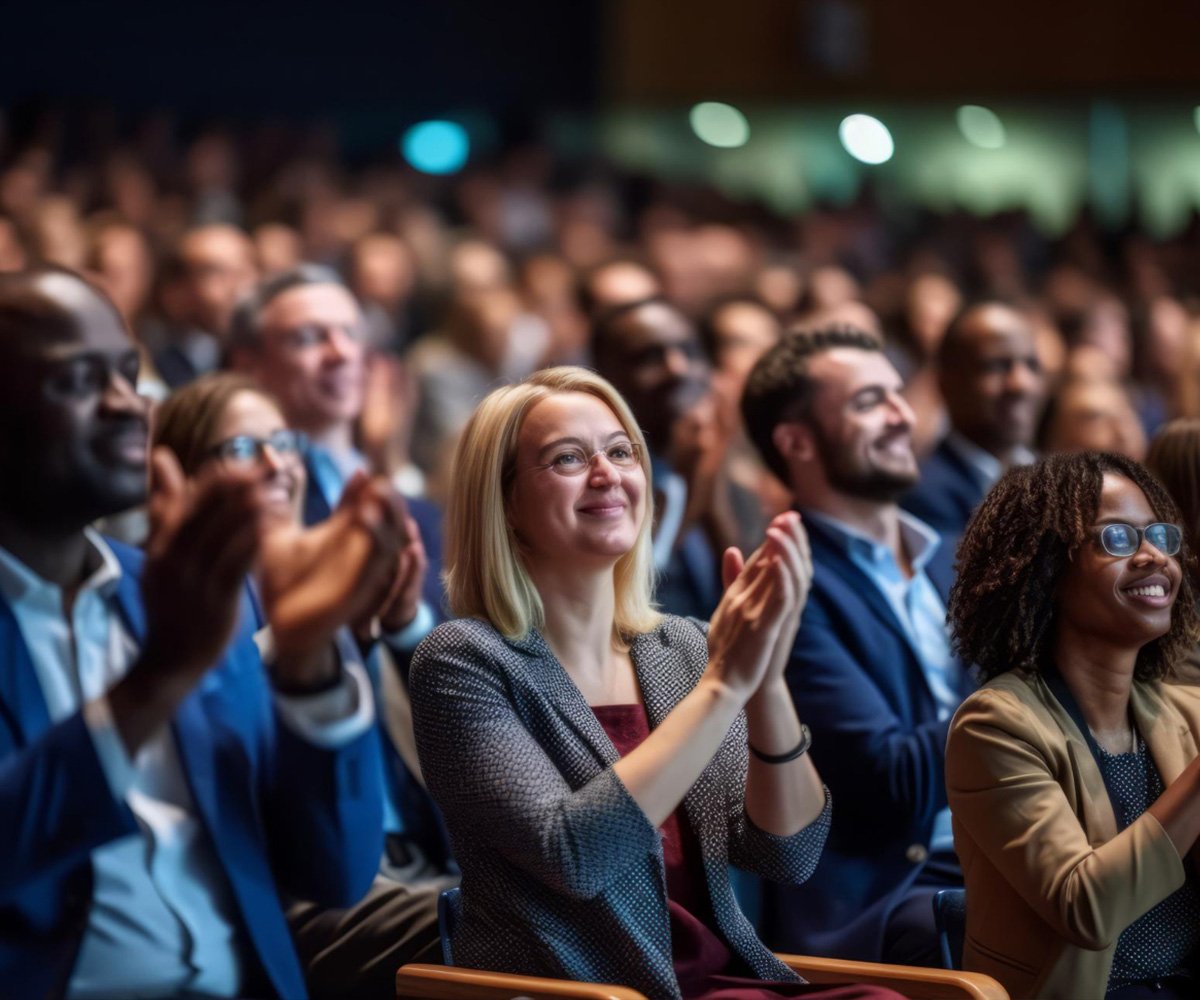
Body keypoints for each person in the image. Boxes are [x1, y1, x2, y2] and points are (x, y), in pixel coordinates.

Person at [410, 366, 901, 1000]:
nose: (608, 474)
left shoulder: (684, 649)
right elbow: (573, 854)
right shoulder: (465, 662)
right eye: (568, 458)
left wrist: (766, 680)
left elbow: (788, 855)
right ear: (503, 501)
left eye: (621, 452)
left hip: (721, 984)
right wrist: (725, 687)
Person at [0, 267, 385, 998]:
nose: (128, 405)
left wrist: (310, 667)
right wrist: (155, 680)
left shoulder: (173, 588)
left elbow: (334, 869)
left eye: (125, 372)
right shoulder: (185, 605)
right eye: (78, 381)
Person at [152, 372, 452, 997]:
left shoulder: (335, 562)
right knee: (531, 918)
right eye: (240, 450)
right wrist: (300, 648)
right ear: (180, 479)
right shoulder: (182, 602)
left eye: (284, 443)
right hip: (299, 888)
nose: (274, 464)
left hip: (424, 858)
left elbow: (458, 739)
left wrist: (399, 627)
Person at [741, 326, 969, 965]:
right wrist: (1030, 690)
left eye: (899, 395)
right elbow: (891, 780)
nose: (903, 416)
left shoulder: (956, 559)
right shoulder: (786, 589)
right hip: (904, 890)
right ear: (797, 441)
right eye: (870, 402)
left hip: (1020, 847)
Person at [946, 452, 1200, 999]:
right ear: (1047, 569)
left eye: (1159, 536)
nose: (1154, 557)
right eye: (1118, 540)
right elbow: (1084, 907)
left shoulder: (1187, 714)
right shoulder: (996, 724)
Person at [228, 263, 444, 636]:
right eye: (309, 338)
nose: (341, 353)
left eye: (349, 333)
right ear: (249, 365)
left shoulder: (420, 513)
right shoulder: (250, 496)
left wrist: (406, 624)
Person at [902, 300, 1046, 542]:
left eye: (1031, 365)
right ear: (946, 382)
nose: (1022, 383)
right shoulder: (924, 495)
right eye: (997, 366)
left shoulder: (1050, 473)